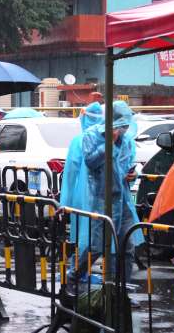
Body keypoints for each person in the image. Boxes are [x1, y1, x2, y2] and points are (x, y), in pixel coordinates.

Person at [72, 101, 144, 285]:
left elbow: (127, 165)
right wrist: (109, 145)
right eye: (123, 126)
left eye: (127, 126)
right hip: (101, 200)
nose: (126, 130)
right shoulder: (91, 136)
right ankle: (74, 276)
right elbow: (91, 162)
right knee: (97, 246)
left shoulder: (127, 140)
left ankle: (123, 290)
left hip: (123, 200)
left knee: (127, 246)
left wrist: (132, 175)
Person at [59, 102, 104, 246]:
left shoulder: (78, 141)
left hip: (82, 194)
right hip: (104, 194)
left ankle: (81, 265)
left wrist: (65, 202)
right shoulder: (108, 139)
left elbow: (70, 174)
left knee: (82, 236)